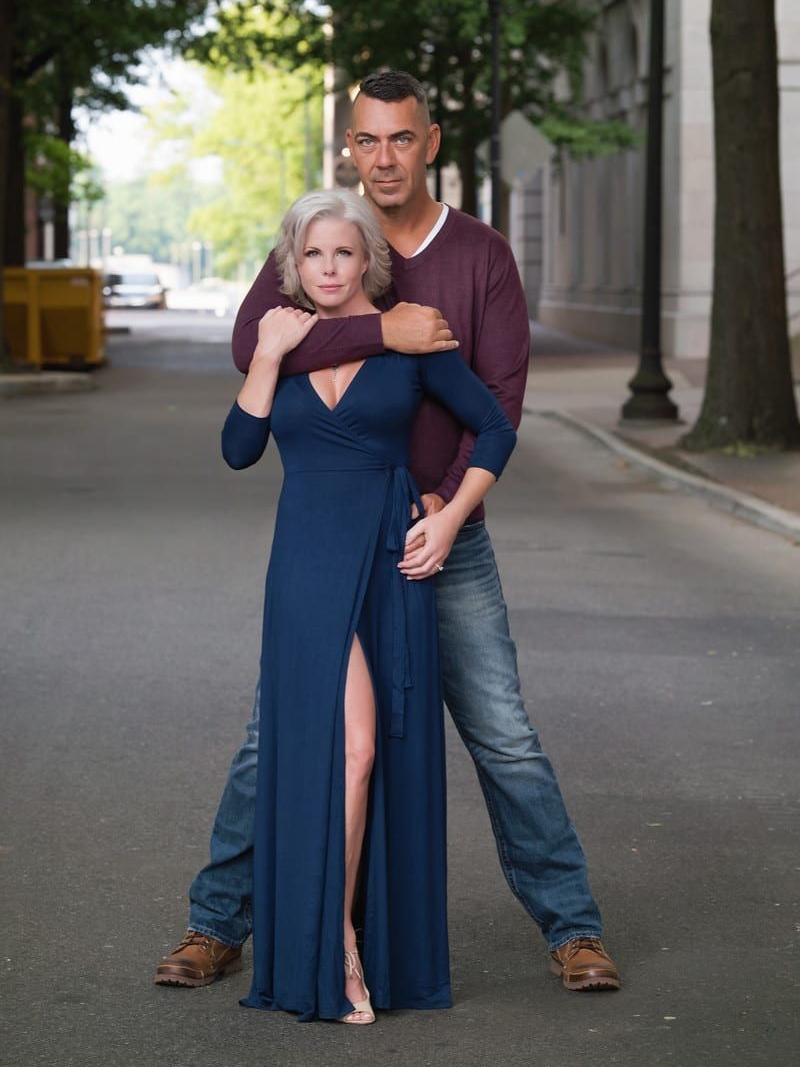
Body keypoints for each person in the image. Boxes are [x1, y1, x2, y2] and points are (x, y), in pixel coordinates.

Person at [154, 70, 620, 995]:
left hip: (437, 538)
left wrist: (446, 515)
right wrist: (384, 333)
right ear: (350, 149)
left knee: (503, 732)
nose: (382, 157)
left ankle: (572, 928)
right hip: (332, 547)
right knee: (273, 733)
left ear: (431, 142)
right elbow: (262, 349)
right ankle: (218, 923)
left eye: (399, 139)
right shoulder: (332, 242)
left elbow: (501, 407)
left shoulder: (482, 257)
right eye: (366, 141)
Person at [221, 189, 516, 1023]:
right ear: (293, 261)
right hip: (308, 565)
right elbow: (239, 450)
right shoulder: (282, 336)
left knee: (378, 746)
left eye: (343, 254)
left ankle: (348, 937)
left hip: (393, 558)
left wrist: (450, 515)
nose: (327, 269)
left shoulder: (413, 336)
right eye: (312, 255)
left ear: (366, 261)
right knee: (348, 749)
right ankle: (337, 942)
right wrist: (271, 359)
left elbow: (494, 427)